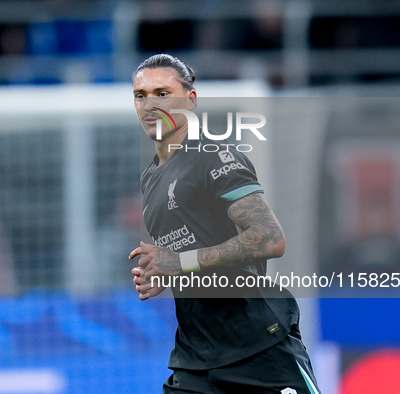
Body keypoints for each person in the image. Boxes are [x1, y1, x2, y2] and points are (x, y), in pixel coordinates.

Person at [128, 54, 320, 394]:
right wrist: (164, 271)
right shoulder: (151, 177)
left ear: (191, 99)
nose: (150, 105)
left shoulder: (214, 156)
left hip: (258, 347)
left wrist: (179, 262)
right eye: (141, 95)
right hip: (195, 359)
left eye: (162, 93)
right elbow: (187, 252)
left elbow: (269, 238)